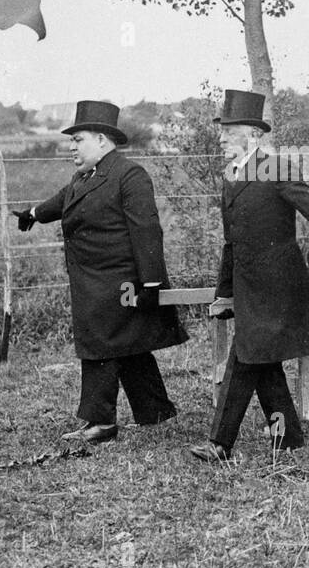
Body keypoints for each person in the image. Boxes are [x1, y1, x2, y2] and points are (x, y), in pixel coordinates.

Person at [189, 90, 309, 464]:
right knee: (260, 360)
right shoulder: (230, 176)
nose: (220, 139)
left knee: (245, 356)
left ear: (251, 134)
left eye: (228, 132)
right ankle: (289, 437)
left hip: (279, 283)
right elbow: (231, 242)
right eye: (221, 132)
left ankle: (220, 444)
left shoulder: (275, 167)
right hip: (249, 286)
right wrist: (224, 293)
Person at [14, 101, 186, 444]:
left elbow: (147, 230)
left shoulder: (129, 175)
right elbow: (62, 201)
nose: (72, 147)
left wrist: (151, 282)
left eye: (78, 140)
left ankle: (100, 422)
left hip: (120, 280)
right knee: (128, 342)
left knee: (101, 342)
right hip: (95, 279)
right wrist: (33, 213)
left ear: (103, 141)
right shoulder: (85, 176)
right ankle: (154, 410)